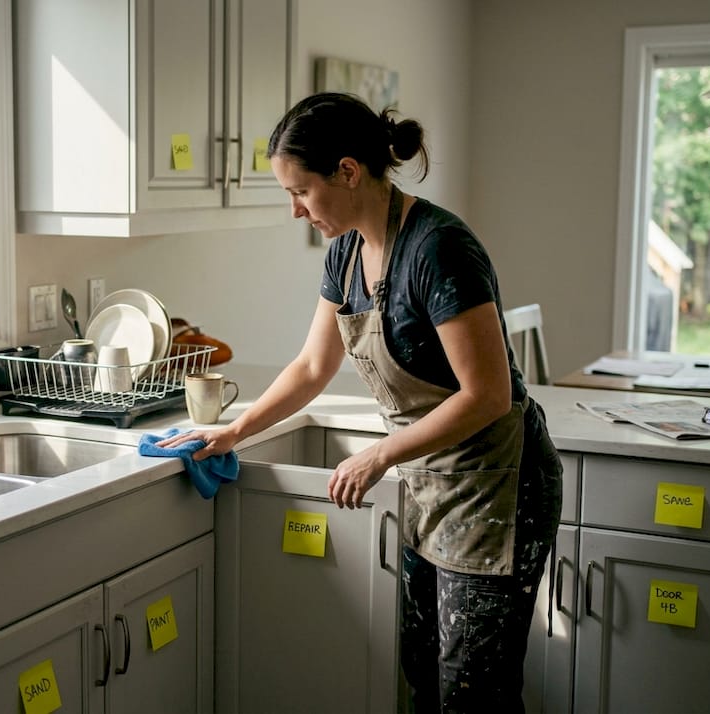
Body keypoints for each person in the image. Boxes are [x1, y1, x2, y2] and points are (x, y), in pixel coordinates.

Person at [158, 92, 562, 712]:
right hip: (428, 481)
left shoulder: (439, 249)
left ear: (347, 172)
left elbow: (487, 396)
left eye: (301, 191)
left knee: (474, 690)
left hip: (495, 488)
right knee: (423, 674)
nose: (296, 210)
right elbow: (313, 366)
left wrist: (378, 457)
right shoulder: (345, 252)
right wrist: (234, 431)